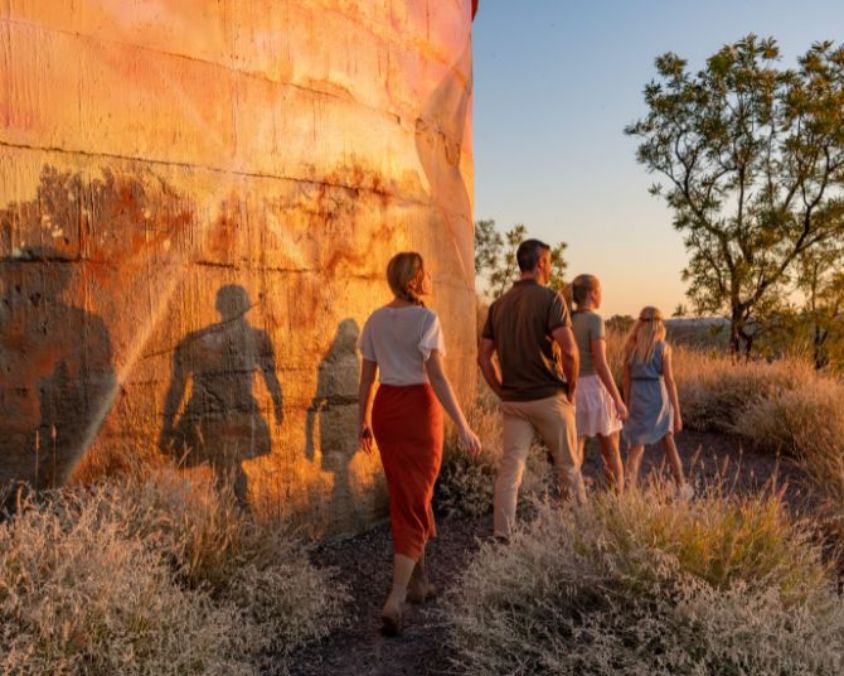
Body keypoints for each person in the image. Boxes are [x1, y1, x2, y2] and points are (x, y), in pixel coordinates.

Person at [357, 252, 481, 636]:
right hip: (417, 411)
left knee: (408, 493)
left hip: (386, 411)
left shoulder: (375, 319)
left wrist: (362, 419)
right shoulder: (427, 320)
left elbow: (367, 378)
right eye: (426, 273)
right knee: (414, 497)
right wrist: (463, 424)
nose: (431, 277)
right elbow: (438, 378)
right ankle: (396, 598)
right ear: (413, 281)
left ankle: (420, 583)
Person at [478, 239, 583, 542]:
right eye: (549, 261)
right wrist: (571, 389)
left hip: (513, 401)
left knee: (510, 470)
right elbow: (570, 351)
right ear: (540, 263)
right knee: (568, 466)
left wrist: (500, 389)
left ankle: (502, 535)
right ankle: (581, 531)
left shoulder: (498, 305)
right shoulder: (550, 299)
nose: (550, 267)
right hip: (549, 396)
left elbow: (483, 356)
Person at [622, 306, 693, 497]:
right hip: (657, 396)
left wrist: (625, 405)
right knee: (668, 441)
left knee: (635, 447)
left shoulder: (630, 348)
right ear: (658, 324)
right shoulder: (663, 348)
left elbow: (626, 381)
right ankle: (681, 486)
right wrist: (677, 412)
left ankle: (627, 493)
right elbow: (670, 381)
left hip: (637, 396)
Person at [570, 275, 627, 491]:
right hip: (595, 389)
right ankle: (618, 499)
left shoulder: (569, 319)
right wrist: (618, 400)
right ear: (593, 294)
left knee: (576, 450)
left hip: (574, 389)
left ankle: (573, 500)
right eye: (600, 291)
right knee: (611, 450)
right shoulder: (595, 321)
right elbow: (601, 365)